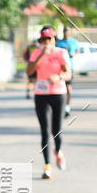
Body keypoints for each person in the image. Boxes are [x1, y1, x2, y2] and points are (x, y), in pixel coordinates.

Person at [26, 25, 71, 180]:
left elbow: (67, 73)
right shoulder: (37, 52)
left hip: (58, 93)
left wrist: (58, 77)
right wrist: (40, 56)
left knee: (56, 131)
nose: (46, 42)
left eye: (49, 39)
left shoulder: (61, 53)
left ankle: (58, 151)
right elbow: (29, 71)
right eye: (43, 39)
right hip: (41, 93)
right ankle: (47, 166)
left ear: (54, 39)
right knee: (44, 131)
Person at [56, 26, 79, 117]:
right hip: (59, 68)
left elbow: (77, 51)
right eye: (64, 31)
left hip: (69, 67)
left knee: (68, 87)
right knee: (60, 88)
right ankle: (60, 106)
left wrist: (74, 54)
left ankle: (67, 107)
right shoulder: (59, 43)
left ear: (70, 32)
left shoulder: (74, 42)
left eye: (67, 31)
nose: (66, 32)